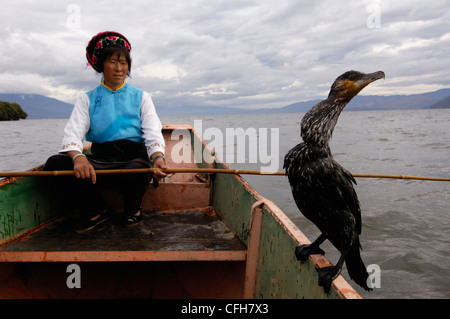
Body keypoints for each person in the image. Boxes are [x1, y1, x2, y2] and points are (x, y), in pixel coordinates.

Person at [44, 31, 169, 232]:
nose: (119, 69)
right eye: (113, 62)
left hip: (132, 159)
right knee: (55, 164)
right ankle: (98, 210)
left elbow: (153, 134)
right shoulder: (87, 99)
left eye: (124, 63)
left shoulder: (142, 97)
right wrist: (78, 157)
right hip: (100, 162)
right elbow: (72, 134)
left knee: (137, 169)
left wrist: (157, 158)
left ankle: (132, 211)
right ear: (101, 64)